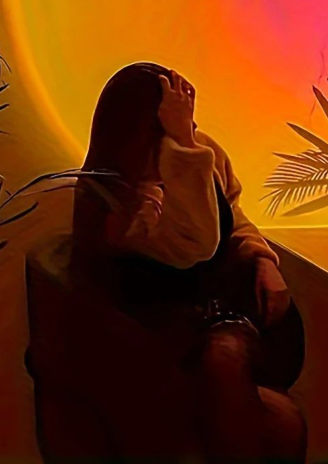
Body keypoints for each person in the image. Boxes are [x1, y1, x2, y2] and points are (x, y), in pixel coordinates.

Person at [72, 62, 306, 462]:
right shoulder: (116, 195)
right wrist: (181, 146)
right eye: (174, 118)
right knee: (231, 369)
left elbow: (231, 213)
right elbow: (196, 243)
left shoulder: (199, 154)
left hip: (220, 308)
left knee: (273, 410)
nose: (192, 128)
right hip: (158, 325)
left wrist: (262, 258)